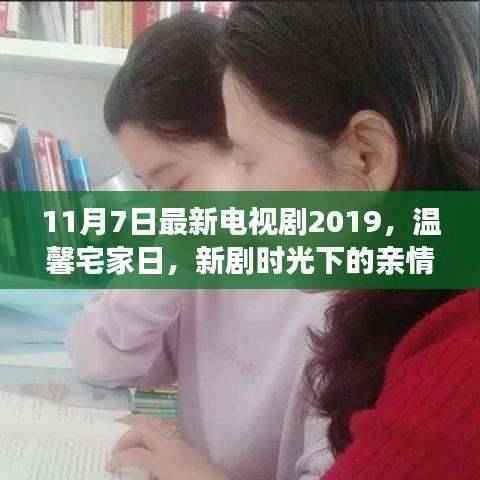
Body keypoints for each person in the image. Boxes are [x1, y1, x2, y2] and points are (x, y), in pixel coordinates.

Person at [106, 2, 480, 479]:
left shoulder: (460, 368)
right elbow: (105, 357)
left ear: (366, 156)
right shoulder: (397, 301)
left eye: (248, 161)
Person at [66, 10, 333, 480]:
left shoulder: (331, 288)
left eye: (175, 183)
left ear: (249, 147)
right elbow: (98, 361)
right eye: (148, 187)